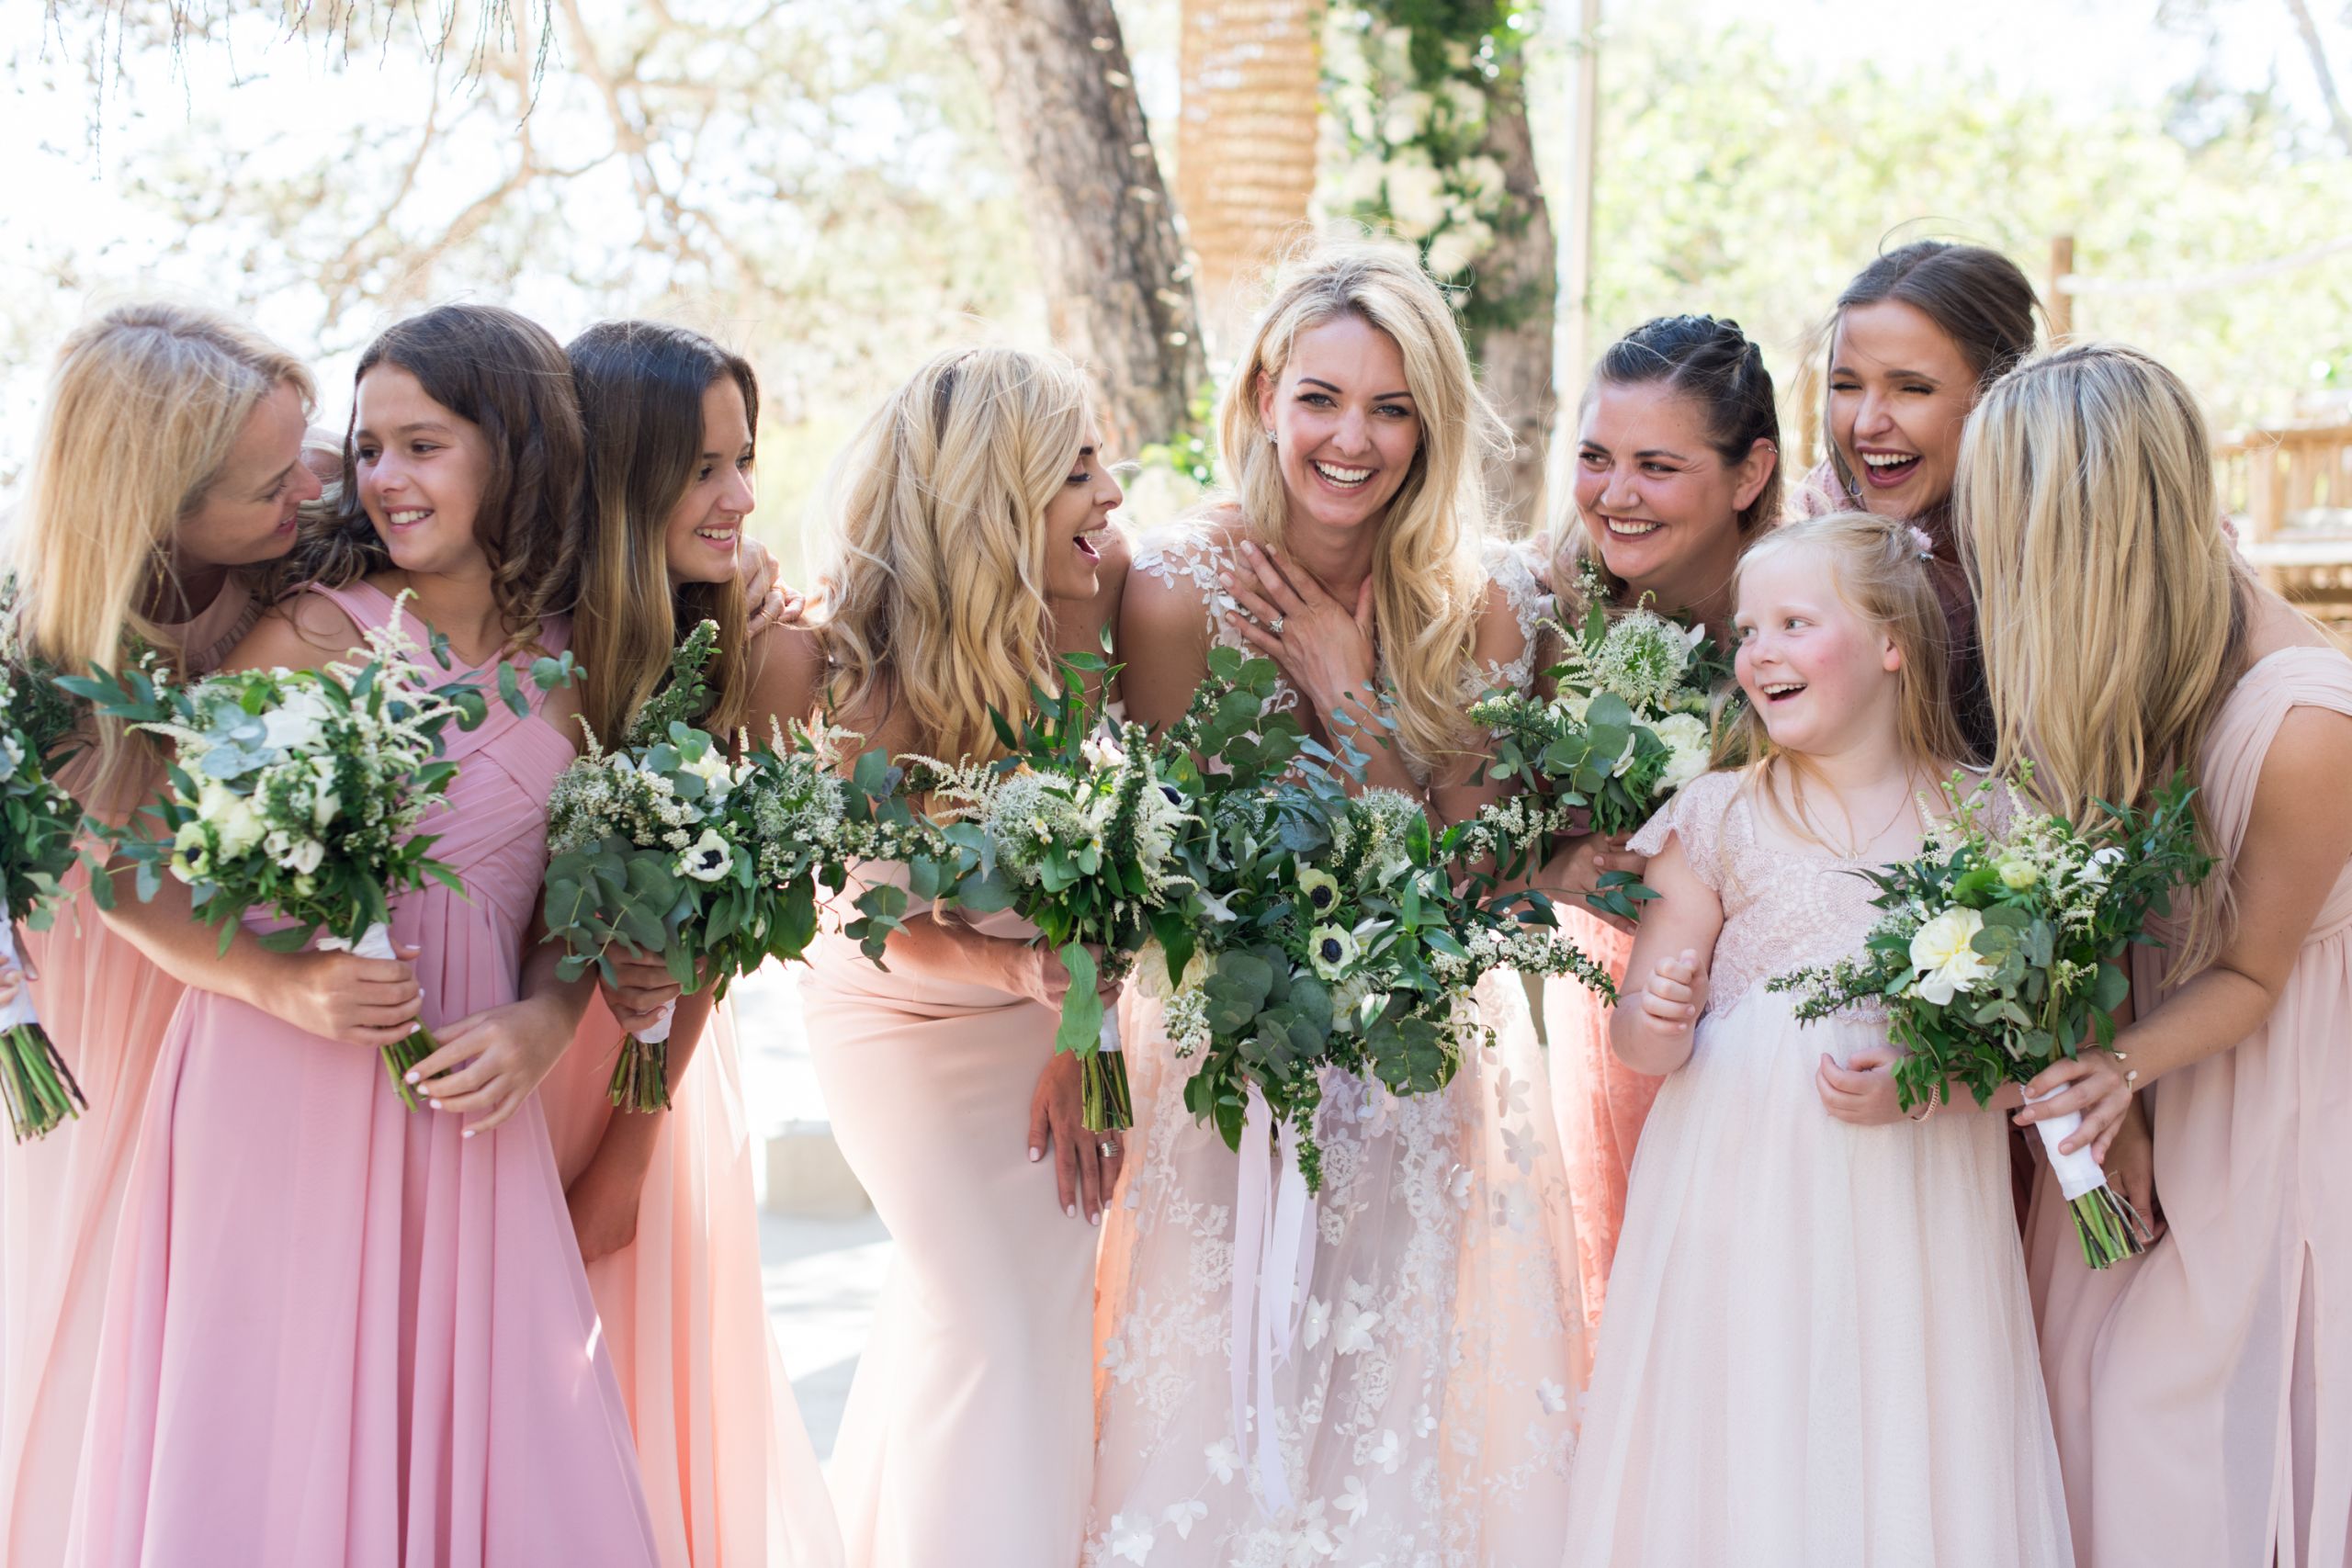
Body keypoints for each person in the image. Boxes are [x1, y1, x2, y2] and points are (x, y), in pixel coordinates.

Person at [67, 304, 660, 1565]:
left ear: (516, 451)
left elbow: (582, 892)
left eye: (423, 445)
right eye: (371, 445)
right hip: (285, 1083)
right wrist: (284, 986)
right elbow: (129, 874)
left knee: (511, 1434)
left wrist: (549, 1019)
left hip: (467, 1093)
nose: (382, 477)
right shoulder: (315, 634)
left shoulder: (583, 660)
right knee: (282, 1432)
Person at [1087, 241, 1582, 1563]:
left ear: (1432, 422)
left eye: (1391, 405)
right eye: (1322, 397)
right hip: (1229, 1072)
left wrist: (1350, 687)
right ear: (1263, 394)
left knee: (1387, 1407)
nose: (1351, 438)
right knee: (1217, 1403)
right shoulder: (1176, 593)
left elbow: (1465, 879)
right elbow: (1162, 873)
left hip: (1419, 1062)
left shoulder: (1484, 603)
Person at [1561, 511, 2072, 1566]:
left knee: (1898, 1407)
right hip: (1739, 1194)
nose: (1760, 653)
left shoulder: (1986, 822)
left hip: (1913, 1198)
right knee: (1753, 1407)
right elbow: (1643, 1046)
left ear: (1891, 640)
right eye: (1749, 632)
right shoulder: (1717, 814)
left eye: (1795, 622)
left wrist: (1931, 1085)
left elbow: (2026, 1056)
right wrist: (1653, 1016)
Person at [1962, 343, 2352, 1568]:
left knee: (2172, 1447)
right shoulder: (2119, 664)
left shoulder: (2304, 722)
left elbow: (2248, 973)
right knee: (2073, 1414)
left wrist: (2121, 1069)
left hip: (2260, 1109)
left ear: (2088, 531)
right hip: (2133, 1082)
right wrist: (2108, 1085)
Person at [789, 345, 1129, 1568]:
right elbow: (856, 919)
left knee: (1016, 1326)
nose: (1112, 495)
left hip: (1055, 1008)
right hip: (903, 1019)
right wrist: (1026, 982)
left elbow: (1115, 869)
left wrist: (1079, 1027)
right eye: (1079, 468)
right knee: (988, 1319)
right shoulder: (849, 667)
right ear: (997, 491)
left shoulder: (1094, 600)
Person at [2, 303, 322, 1568]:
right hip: (96, 981)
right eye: (267, 482)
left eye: (306, 449)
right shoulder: (32, 645)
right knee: (102, 1285)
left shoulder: (308, 559)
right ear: (152, 503)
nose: (314, 483)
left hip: (255, 960)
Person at [552, 318, 843, 1568]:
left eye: (745, 458)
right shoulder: (520, 625)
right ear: (618, 473)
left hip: (643, 1064)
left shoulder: (764, 648)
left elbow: (722, 937)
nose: (739, 494)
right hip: (505, 1049)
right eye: (704, 466)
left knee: (622, 1396)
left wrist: (634, 1137)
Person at [1535, 313, 1781, 1329]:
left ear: (1748, 472)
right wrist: (1555, 869)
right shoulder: (1551, 611)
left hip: (1780, 1017)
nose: (1614, 495)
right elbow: (1479, 833)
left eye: (1657, 466)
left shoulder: (1818, 599)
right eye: (1595, 458)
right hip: (1629, 1011)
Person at [1791, 240, 2042, 760]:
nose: (1866, 425)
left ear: (2002, 392)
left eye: (1912, 389)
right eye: (1847, 385)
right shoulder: (1814, 527)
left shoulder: (2074, 520)